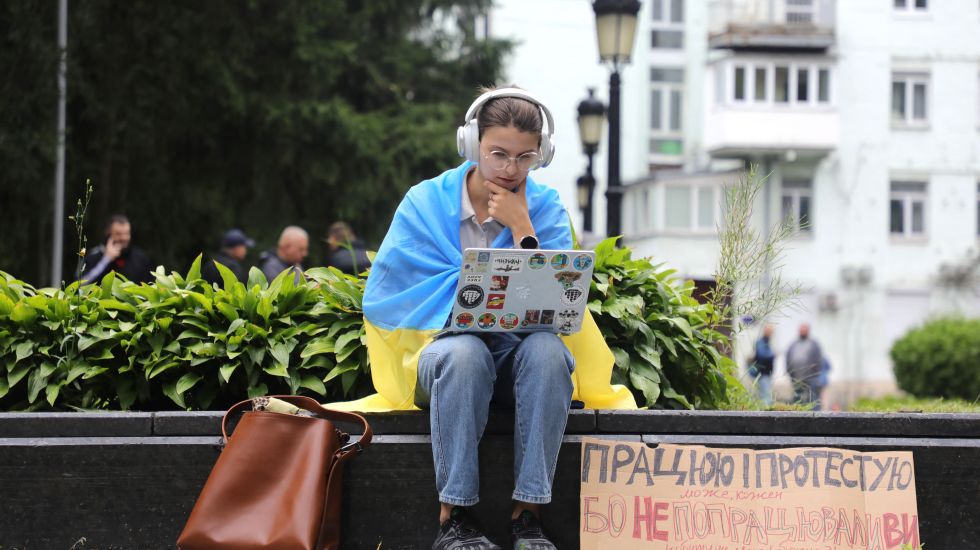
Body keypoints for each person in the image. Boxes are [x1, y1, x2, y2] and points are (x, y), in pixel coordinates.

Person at [325, 87, 636, 550]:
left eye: (525, 157)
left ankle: (528, 515)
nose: (510, 170)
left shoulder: (544, 207)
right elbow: (388, 295)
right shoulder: (424, 203)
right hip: (443, 358)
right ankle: (454, 519)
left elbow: (555, 306)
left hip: (517, 361)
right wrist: (462, 309)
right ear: (471, 145)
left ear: (541, 155)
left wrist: (522, 228)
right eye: (497, 154)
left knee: (549, 352)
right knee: (465, 353)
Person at [79, 214, 153, 284]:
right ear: (108, 234)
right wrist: (106, 260)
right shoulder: (94, 256)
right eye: (118, 234)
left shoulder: (140, 258)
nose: (123, 238)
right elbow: (80, 284)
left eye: (126, 233)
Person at [785, 323, 825, 409]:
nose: (802, 331)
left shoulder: (814, 345)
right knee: (798, 400)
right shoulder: (793, 345)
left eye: (804, 329)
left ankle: (817, 419)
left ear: (808, 331)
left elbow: (819, 360)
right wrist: (790, 373)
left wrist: (814, 373)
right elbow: (788, 359)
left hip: (811, 378)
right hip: (796, 378)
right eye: (801, 330)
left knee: (814, 400)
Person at [748, 324, 775, 406]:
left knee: (765, 395)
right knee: (766, 397)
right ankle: (765, 415)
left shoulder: (767, 342)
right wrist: (773, 354)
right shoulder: (760, 342)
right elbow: (762, 355)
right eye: (769, 331)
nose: (771, 333)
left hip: (766, 374)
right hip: (762, 374)